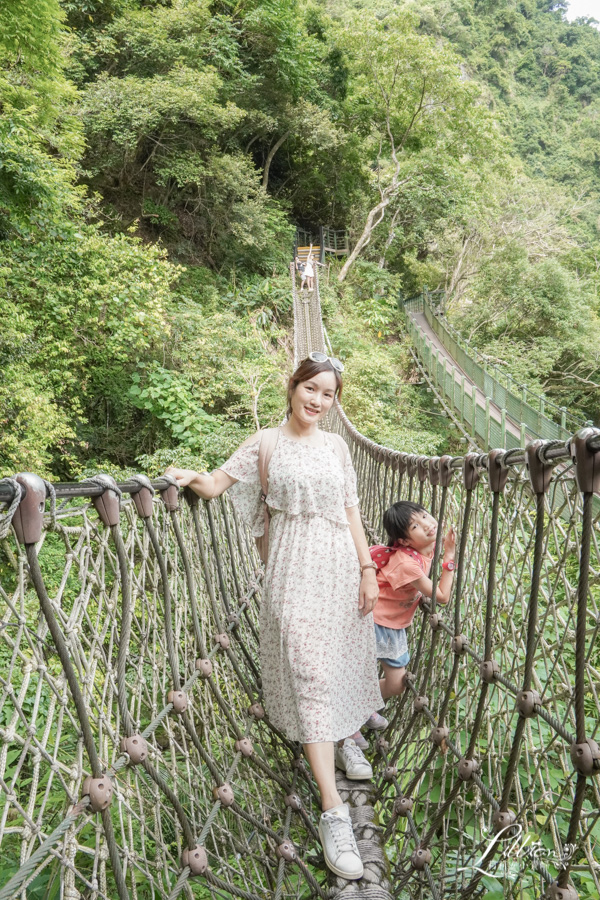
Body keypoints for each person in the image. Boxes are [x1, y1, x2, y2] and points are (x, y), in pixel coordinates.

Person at [165, 353, 383, 881]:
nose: (318, 401)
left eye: (328, 394)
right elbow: (217, 484)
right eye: (311, 389)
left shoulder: (336, 445)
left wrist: (366, 568)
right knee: (308, 672)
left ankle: (347, 736)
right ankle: (334, 813)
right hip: (289, 572)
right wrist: (189, 473)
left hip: (338, 566)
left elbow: (352, 508)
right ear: (293, 387)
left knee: (338, 661)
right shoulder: (264, 442)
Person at [352, 502, 456, 747]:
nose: (427, 524)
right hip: (372, 620)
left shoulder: (425, 549)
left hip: (393, 625)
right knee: (356, 675)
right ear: (406, 541)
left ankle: (360, 705)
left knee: (397, 684)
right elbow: (441, 596)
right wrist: (449, 558)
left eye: (425, 515)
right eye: (415, 525)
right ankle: (349, 729)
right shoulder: (406, 563)